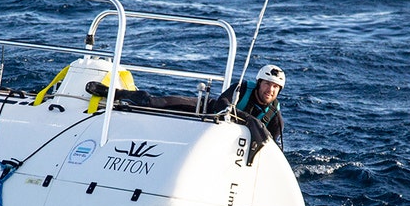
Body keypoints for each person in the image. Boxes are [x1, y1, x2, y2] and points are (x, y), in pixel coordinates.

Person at [84, 64, 286, 150]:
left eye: (275, 87)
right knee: (153, 103)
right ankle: (115, 93)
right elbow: (221, 105)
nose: (270, 89)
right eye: (267, 84)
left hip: (229, 144)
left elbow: (272, 146)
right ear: (259, 83)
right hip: (204, 110)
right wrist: (248, 119)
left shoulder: (274, 118)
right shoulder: (242, 88)